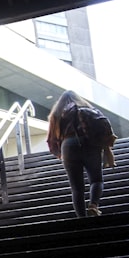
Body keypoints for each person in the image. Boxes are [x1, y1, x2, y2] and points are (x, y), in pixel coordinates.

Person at [46, 89, 108, 218]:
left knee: (77, 188)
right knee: (96, 180)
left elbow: (51, 140)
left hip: (67, 145)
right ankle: (93, 205)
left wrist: (59, 153)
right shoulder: (86, 109)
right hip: (89, 143)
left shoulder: (56, 114)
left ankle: (81, 218)